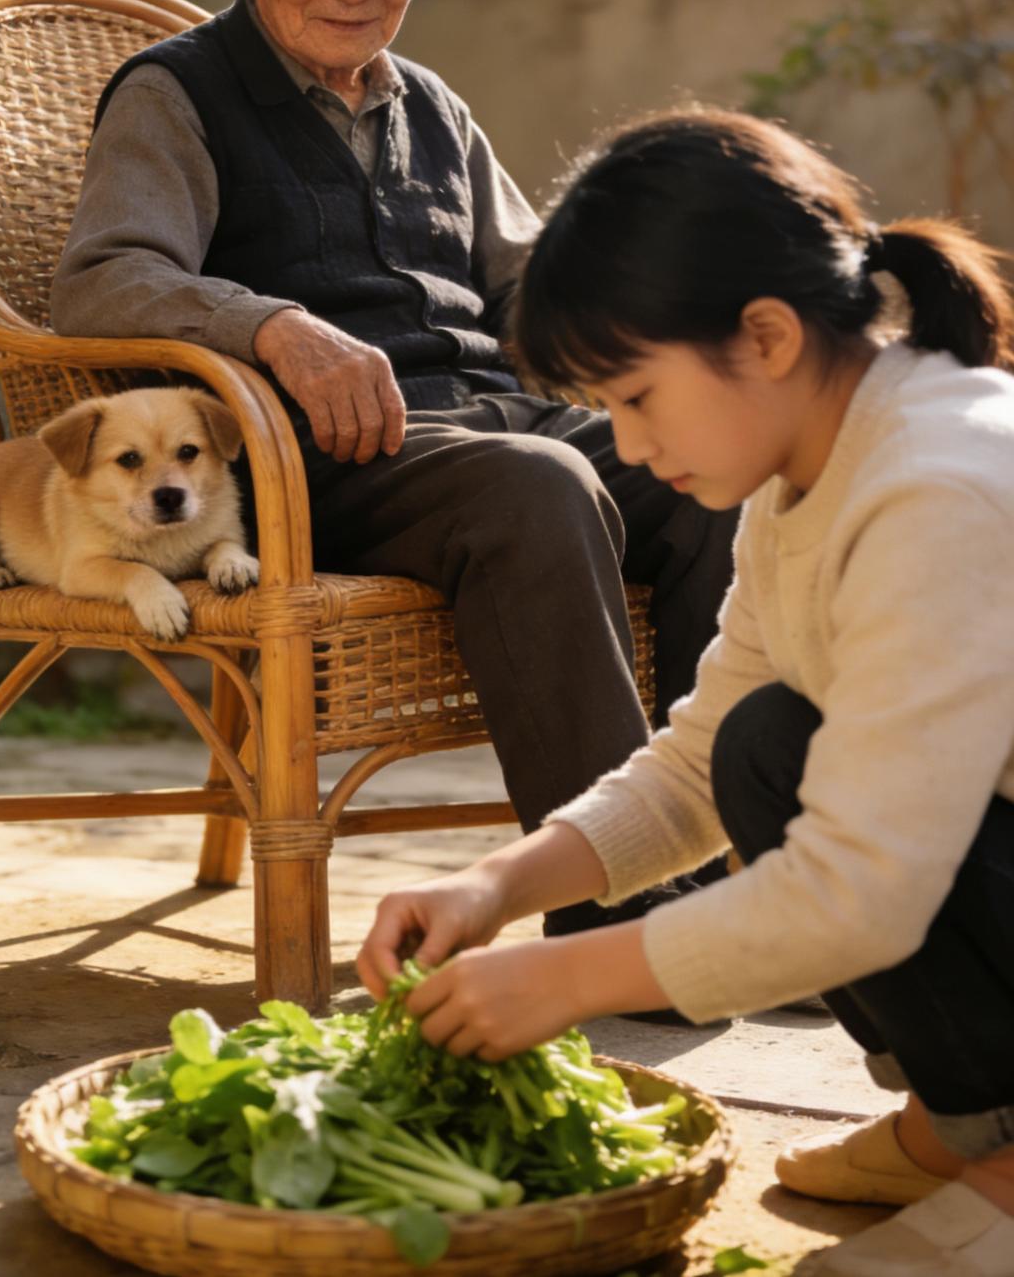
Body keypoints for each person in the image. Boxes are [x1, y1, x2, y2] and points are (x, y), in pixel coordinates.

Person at [51, 0, 736, 932]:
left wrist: (676, 328)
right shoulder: (176, 94)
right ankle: (621, 910)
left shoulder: (433, 105)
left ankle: (733, 872)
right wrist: (272, 325)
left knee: (715, 469)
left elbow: (528, 287)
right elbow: (101, 278)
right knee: (537, 486)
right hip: (309, 457)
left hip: (490, 422)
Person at [356, 107, 1014, 1277]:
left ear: (761, 336)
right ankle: (963, 1121)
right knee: (764, 745)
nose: (623, 438)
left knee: (816, 799)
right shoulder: (803, 474)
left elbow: (858, 893)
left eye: (635, 396)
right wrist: (495, 885)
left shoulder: (937, 486)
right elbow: (697, 758)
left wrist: (566, 977)